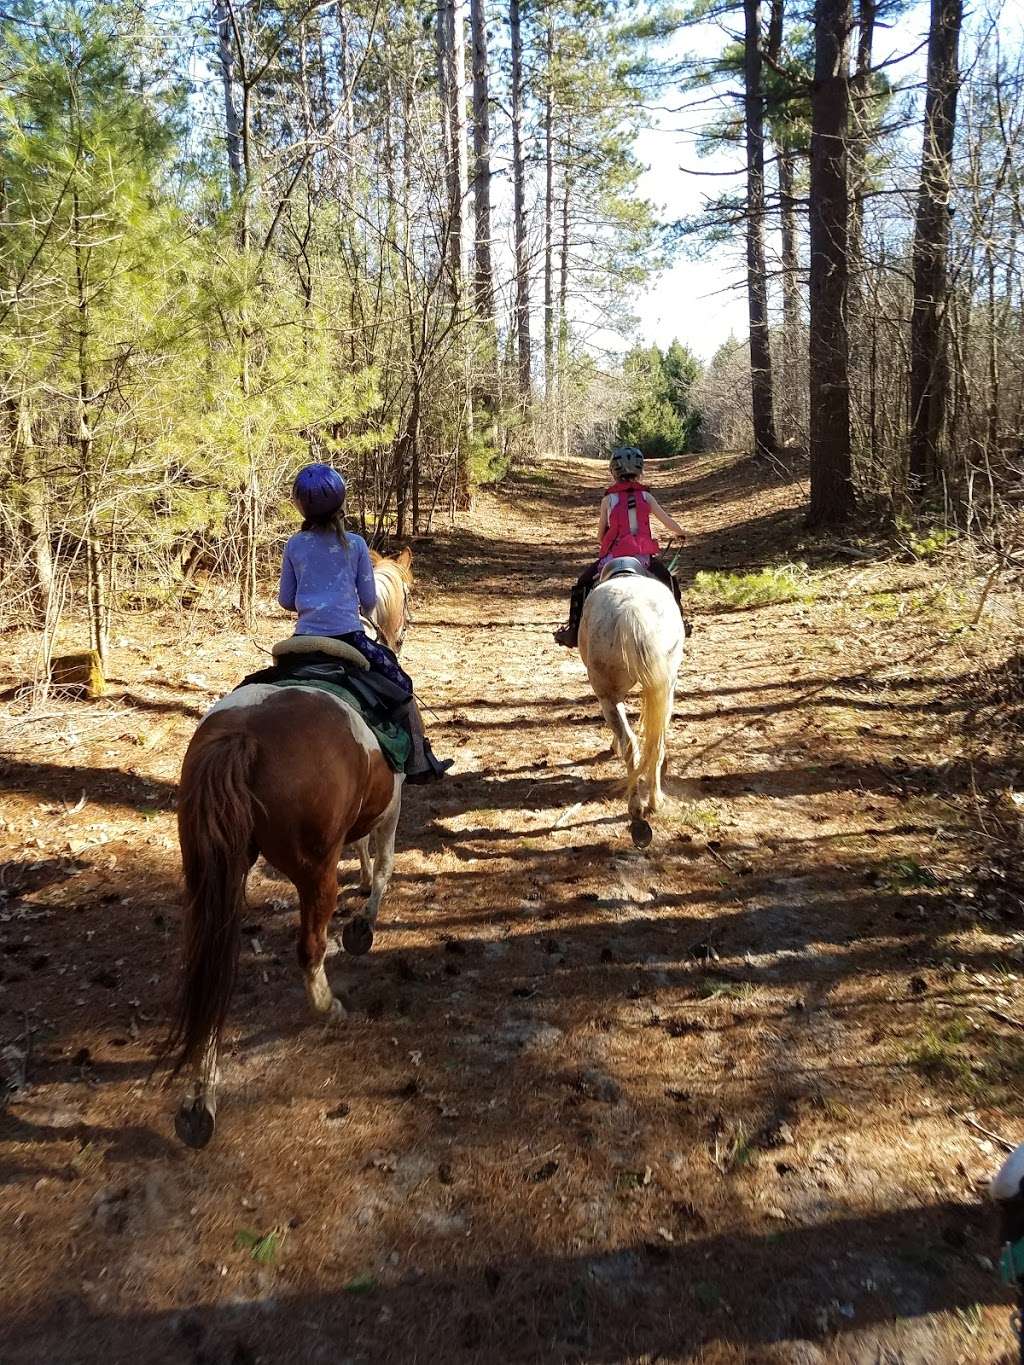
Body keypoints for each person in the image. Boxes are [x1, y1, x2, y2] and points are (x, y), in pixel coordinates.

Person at [279, 463, 452, 784]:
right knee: (401, 686)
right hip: (349, 639)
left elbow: (286, 600)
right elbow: (370, 600)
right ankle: (419, 761)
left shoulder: (294, 545)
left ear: (300, 505)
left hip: (301, 643)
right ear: (340, 504)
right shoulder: (356, 544)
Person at [554, 446, 685, 649]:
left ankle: (573, 629)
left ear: (614, 472)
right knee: (670, 580)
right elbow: (667, 521)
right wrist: (681, 532)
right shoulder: (646, 497)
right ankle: (681, 622)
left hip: (613, 558)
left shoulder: (609, 499)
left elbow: (600, 535)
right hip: (642, 559)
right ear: (640, 471)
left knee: (583, 583)